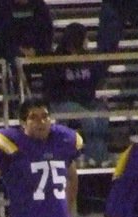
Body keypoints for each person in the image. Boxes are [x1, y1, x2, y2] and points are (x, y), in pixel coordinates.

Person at [43, 23, 109, 167]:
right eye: (85, 38)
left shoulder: (87, 58)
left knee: (102, 113)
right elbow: (52, 88)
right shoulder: (57, 59)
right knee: (88, 118)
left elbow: (96, 79)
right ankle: (94, 157)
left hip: (85, 100)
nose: (87, 42)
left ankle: (101, 157)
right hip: (62, 102)